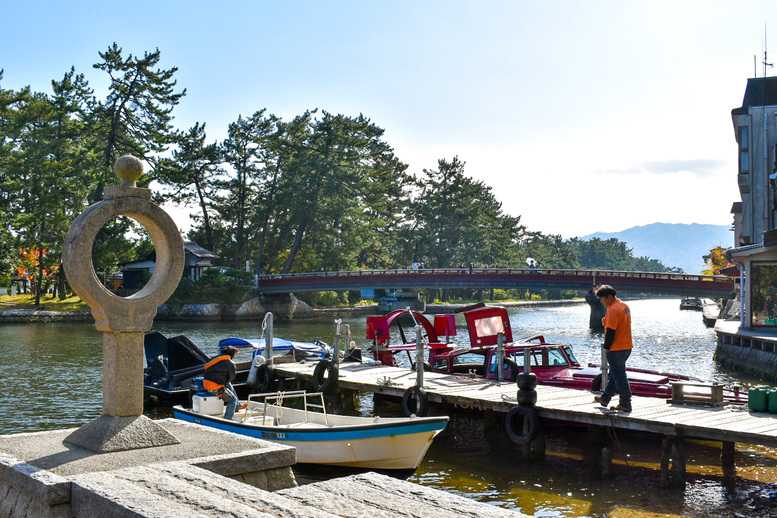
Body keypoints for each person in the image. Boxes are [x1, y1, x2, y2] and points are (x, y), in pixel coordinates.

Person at [593, 284, 633, 412]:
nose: (601, 302)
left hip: (616, 348)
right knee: (615, 375)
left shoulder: (612, 310)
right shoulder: (624, 306)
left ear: (609, 297)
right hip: (627, 346)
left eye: (602, 299)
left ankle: (625, 403)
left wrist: (607, 347)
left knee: (620, 377)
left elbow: (610, 331)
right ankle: (605, 398)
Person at [203, 345, 240, 420]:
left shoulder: (215, 359)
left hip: (206, 384)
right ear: (232, 354)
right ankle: (228, 419)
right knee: (232, 400)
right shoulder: (230, 363)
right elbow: (232, 377)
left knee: (228, 384)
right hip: (214, 388)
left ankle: (237, 406)